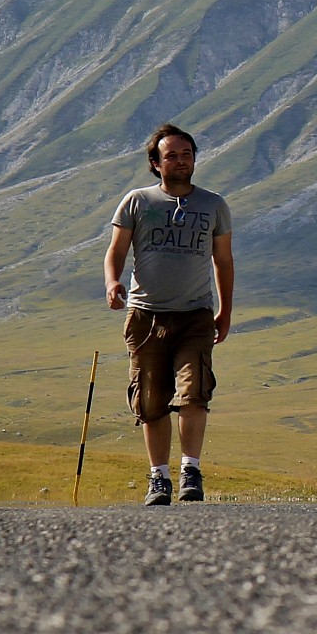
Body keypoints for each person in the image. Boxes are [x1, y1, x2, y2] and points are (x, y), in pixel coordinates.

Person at [104, 124, 234, 505]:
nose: (181, 161)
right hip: (145, 316)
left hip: (194, 314)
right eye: (172, 155)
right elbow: (116, 250)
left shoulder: (213, 205)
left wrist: (225, 311)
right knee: (150, 400)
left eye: (186, 154)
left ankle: (190, 470)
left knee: (194, 392)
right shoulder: (137, 202)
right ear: (156, 163)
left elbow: (223, 261)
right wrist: (113, 283)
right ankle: (158, 477)